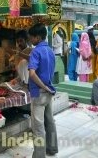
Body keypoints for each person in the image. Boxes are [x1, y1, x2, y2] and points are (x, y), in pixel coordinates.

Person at [27, 23, 58, 158]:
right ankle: (52, 148)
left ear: (38, 37)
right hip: (49, 91)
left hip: (39, 93)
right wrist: (47, 87)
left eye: (31, 37)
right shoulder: (50, 50)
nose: (30, 40)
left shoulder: (36, 51)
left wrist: (42, 87)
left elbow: (32, 74)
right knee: (50, 121)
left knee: (38, 127)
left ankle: (39, 155)